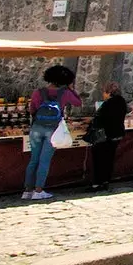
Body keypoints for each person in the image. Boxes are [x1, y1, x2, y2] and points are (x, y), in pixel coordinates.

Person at [24, 65, 82, 201]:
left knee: (33, 160)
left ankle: (27, 190)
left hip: (37, 128)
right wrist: (71, 90)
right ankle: (39, 190)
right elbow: (78, 103)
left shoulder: (38, 92)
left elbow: (32, 109)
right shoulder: (65, 93)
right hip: (53, 129)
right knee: (44, 160)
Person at [87, 81, 129, 191]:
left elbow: (100, 119)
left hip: (105, 135)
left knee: (99, 159)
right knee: (109, 159)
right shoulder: (122, 101)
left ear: (108, 92)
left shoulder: (107, 104)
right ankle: (105, 181)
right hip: (117, 134)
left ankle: (97, 182)